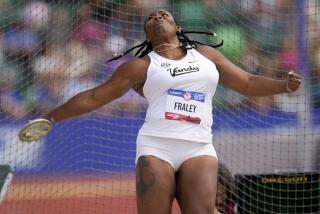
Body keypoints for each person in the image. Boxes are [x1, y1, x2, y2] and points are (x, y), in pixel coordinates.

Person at [43, 9, 301, 214]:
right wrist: (50, 117)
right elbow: (93, 97)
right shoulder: (139, 67)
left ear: (177, 27)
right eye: (151, 17)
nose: (157, 17)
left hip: (198, 147)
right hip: (157, 148)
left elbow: (247, 83)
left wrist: (284, 86)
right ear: (147, 33)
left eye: (164, 14)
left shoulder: (206, 55)